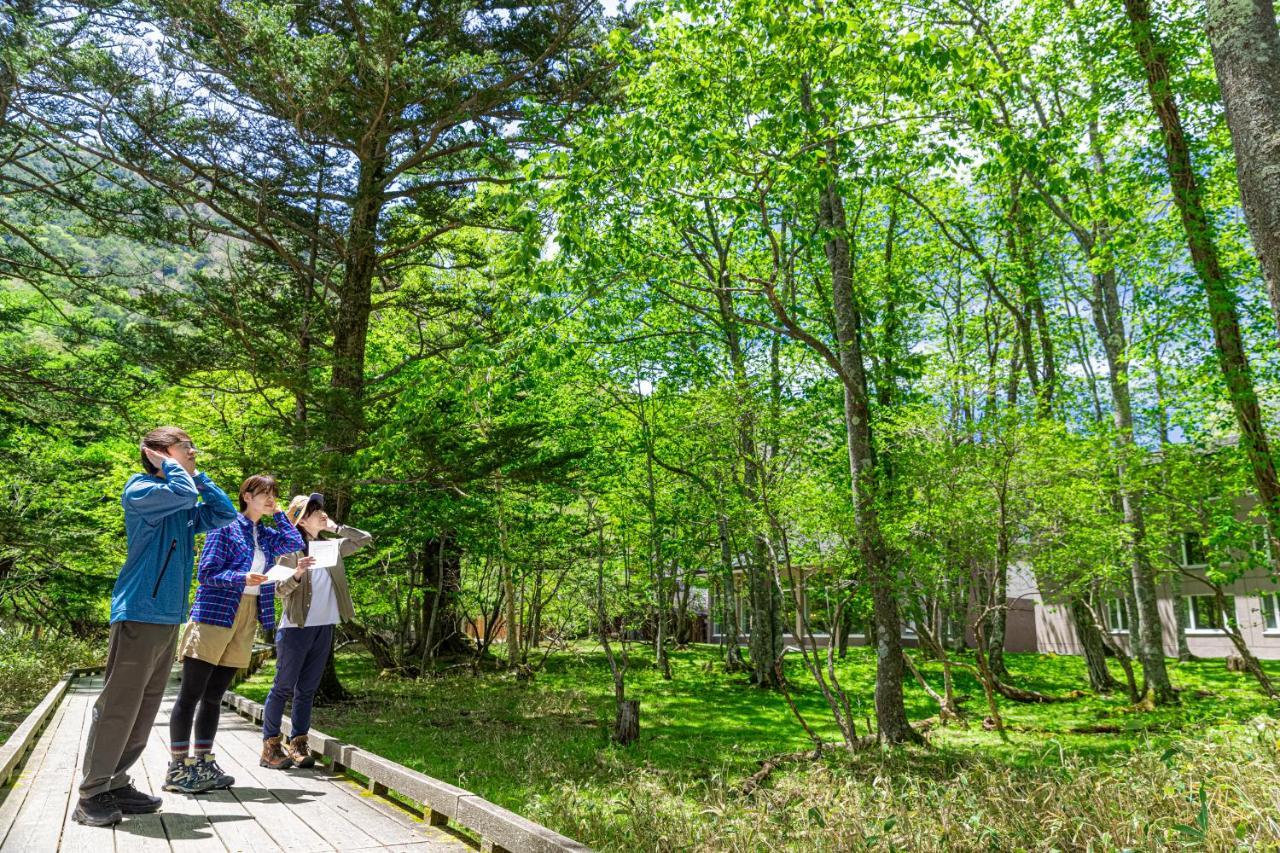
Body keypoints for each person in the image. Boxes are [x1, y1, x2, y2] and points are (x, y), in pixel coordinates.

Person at [74, 427, 238, 828]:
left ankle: (115, 781)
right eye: (186, 447)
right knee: (119, 706)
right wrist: (172, 468)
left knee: (146, 707)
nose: (194, 452)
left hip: (167, 617)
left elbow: (224, 513)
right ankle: (91, 794)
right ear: (158, 453)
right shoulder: (142, 489)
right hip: (139, 612)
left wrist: (197, 475)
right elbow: (181, 495)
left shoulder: (179, 497)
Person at [164, 474, 310, 793]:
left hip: (248, 615)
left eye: (274, 493)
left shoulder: (266, 534)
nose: (271, 498)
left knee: (215, 696)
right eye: (264, 494)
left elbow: (295, 543)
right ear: (246, 496)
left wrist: (280, 516)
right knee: (191, 693)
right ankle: (177, 769)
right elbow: (207, 572)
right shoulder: (225, 526)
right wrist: (242, 577)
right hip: (215, 612)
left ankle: (203, 764)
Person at [260, 493, 371, 769]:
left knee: (307, 689)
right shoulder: (290, 551)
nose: (322, 513)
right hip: (296, 629)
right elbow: (279, 590)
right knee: (283, 687)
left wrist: (336, 528)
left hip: (324, 626)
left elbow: (364, 539)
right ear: (301, 519)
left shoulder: (329, 547)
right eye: (314, 510)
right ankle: (271, 746)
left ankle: (298, 743)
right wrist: (296, 573)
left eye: (322, 509)